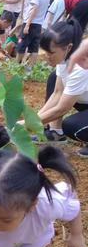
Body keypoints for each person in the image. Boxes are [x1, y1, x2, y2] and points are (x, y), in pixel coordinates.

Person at [37, 20, 88, 157]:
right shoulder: (64, 59)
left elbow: (62, 108)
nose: (47, 57)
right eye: (45, 51)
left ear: (68, 47)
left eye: (51, 53)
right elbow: (57, 93)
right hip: (84, 101)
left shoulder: (80, 68)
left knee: (71, 126)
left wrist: (27, 124)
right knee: (54, 78)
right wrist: (35, 121)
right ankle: (55, 132)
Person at [16, 0, 51, 65]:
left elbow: (34, 10)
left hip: (30, 23)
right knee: (34, 48)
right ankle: (30, 68)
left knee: (21, 45)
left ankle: (15, 66)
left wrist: (27, 25)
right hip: (38, 25)